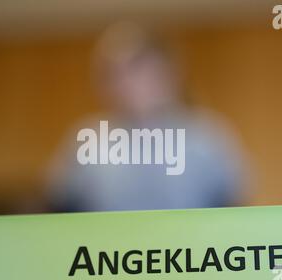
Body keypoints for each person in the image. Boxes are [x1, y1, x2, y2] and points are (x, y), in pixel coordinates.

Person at [46, 22, 250, 212]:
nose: (125, 82)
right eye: (113, 73)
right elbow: (56, 206)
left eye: (137, 67)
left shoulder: (209, 135)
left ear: (169, 70)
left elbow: (235, 208)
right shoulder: (85, 139)